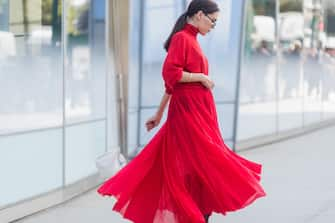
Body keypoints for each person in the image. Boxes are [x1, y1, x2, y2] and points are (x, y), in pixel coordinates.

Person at [97, 1, 266, 222]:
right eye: (212, 21)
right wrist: (201, 77)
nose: (213, 27)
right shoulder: (182, 39)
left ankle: (199, 214)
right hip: (189, 114)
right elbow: (171, 74)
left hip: (198, 114)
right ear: (199, 15)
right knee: (203, 163)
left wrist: (158, 114)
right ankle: (195, 215)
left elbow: (171, 87)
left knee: (201, 166)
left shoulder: (191, 40)